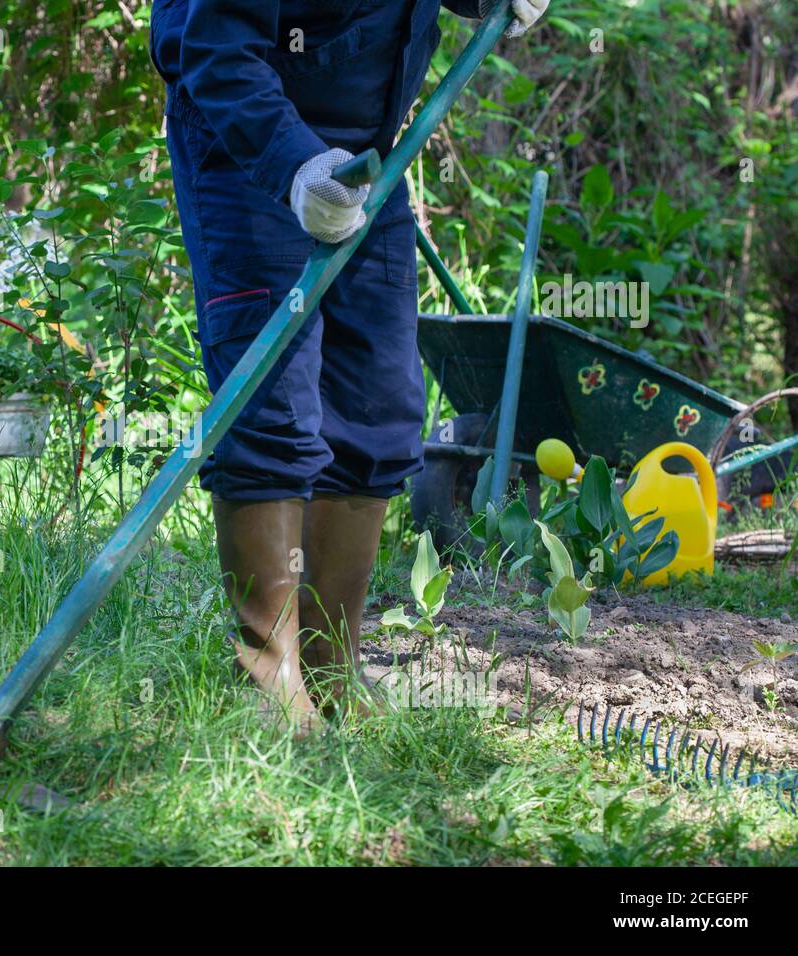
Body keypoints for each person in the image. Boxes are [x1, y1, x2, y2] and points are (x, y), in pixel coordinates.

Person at [149, 0, 550, 732]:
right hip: (250, 145)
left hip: (371, 154)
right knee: (271, 406)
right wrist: (295, 167)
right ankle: (267, 672)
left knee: (379, 406)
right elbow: (208, 44)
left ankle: (331, 666)